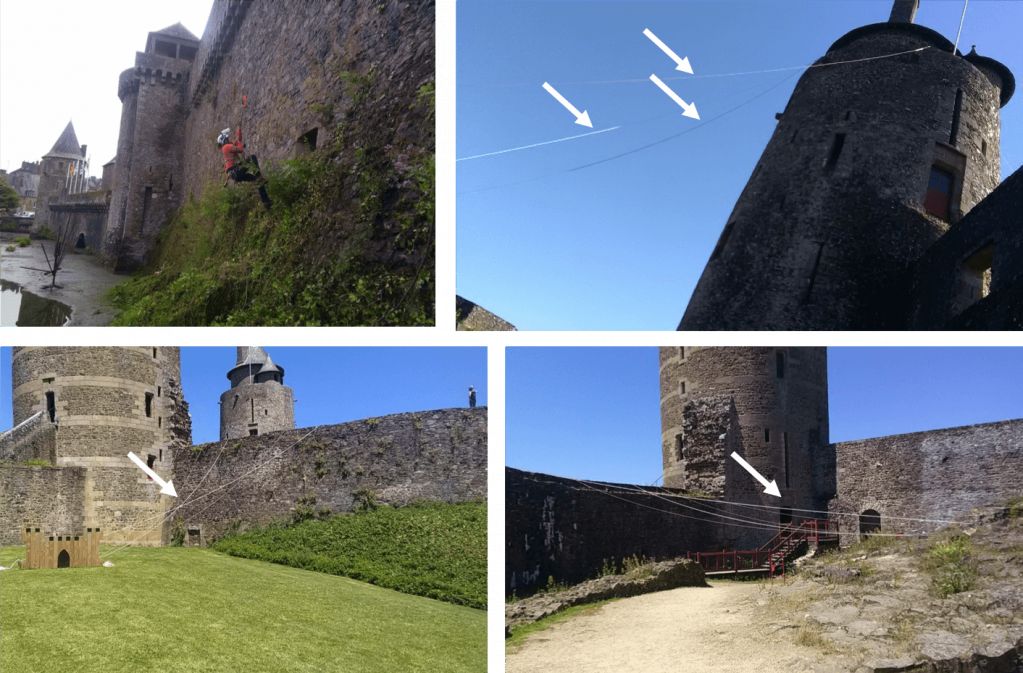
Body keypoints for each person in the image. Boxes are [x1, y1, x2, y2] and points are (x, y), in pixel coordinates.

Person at [217, 127, 271, 208]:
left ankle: (266, 202)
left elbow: (236, 144)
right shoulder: (226, 147)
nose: (228, 139)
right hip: (236, 171)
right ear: (224, 140)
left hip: (235, 174)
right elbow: (240, 149)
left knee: (257, 181)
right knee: (252, 158)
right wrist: (239, 141)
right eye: (227, 138)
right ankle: (259, 176)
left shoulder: (226, 148)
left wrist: (239, 137)